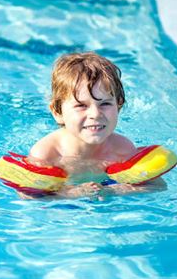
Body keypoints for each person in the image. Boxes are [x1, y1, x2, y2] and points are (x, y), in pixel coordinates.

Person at [27, 52, 166, 199]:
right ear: (57, 112)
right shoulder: (47, 154)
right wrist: (72, 193)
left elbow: (157, 186)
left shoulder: (122, 149)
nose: (95, 114)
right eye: (81, 105)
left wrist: (113, 191)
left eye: (105, 104)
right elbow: (29, 195)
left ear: (118, 106)